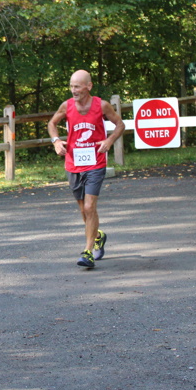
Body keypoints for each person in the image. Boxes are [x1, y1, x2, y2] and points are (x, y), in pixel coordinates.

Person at [47, 70, 125, 268]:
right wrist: (56, 141)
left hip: (96, 161)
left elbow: (120, 124)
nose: (73, 90)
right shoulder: (66, 106)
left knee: (90, 207)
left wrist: (109, 140)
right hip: (73, 162)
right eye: (71, 86)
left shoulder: (102, 105)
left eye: (77, 86)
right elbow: (52, 123)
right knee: (83, 209)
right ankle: (98, 236)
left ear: (88, 86)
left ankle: (88, 252)